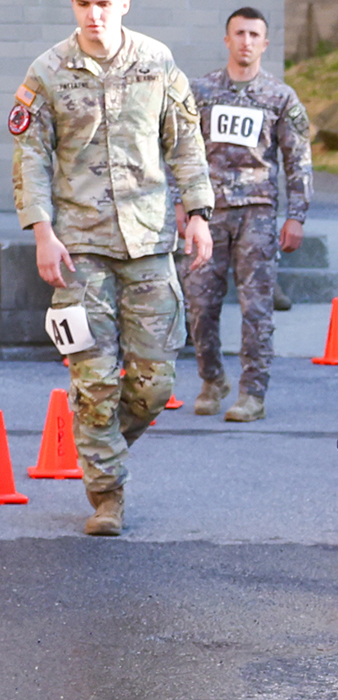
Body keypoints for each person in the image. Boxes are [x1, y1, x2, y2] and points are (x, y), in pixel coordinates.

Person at [11, 0, 213, 537]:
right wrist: (42, 233)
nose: (94, 13)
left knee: (153, 383)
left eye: (104, 2)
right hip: (78, 249)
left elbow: (185, 140)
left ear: (122, 5)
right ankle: (107, 495)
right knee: (94, 381)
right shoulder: (48, 70)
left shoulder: (157, 60)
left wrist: (197, 213)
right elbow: (31, 157)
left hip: (147, 240)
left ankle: (99, 445)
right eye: (83, 3)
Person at [184, 6, 311, 424]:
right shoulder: (200, 92)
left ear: (265, 42)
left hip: (257, 213)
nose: (246, 42)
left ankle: (252, 393)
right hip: (209, 214)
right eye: (239, 33)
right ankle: (212, 378)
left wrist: (297, 214)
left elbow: (298, 160)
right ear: (227, 39)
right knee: (200, 303)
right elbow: (180, 153)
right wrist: (181, 206)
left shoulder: (280, 97)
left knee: (256, 309)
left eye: (255, 35)